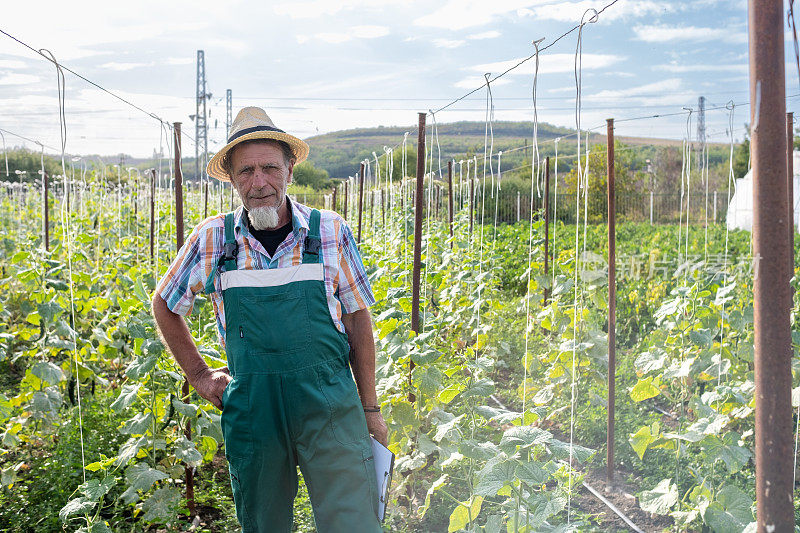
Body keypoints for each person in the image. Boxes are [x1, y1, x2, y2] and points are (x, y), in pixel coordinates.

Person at [151, 107, 387, 533]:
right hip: (255, 408)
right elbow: (165, 304)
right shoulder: (213, 238)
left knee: (352, 518)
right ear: (233, 178)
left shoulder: (329, 231)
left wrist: (370, 408)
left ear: (290, 169)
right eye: (246, 172)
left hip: (328, 403)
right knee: (264, 523)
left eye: (269, 168)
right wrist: (200, 374)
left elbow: (357, 320)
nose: (258, 182)